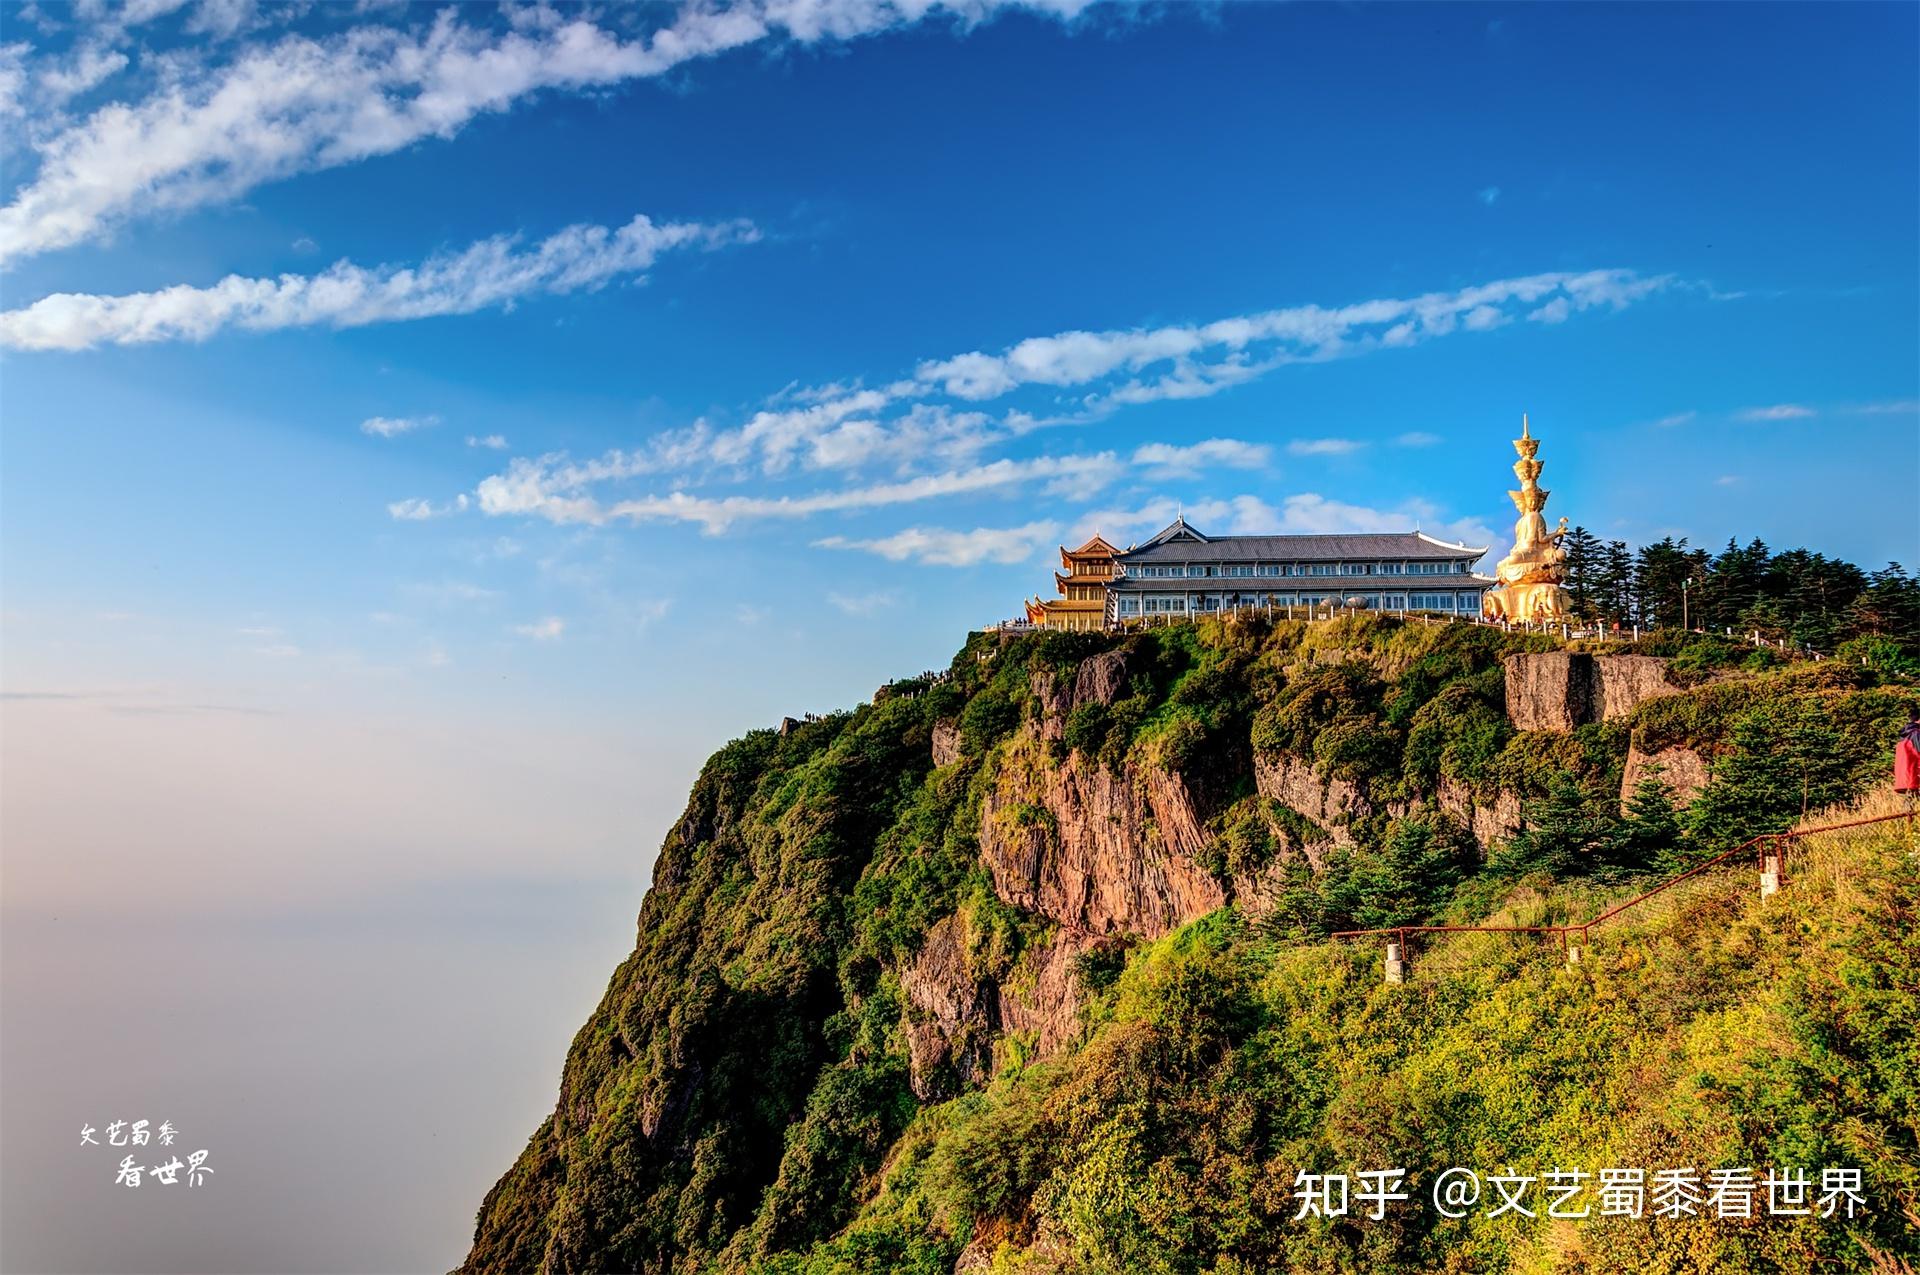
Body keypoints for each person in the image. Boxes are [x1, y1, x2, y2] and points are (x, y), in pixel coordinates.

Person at [1897, 714, 1920, 794]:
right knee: (1912, 797)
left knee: (1911, 797)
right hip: (1913, 774)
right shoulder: (1916, 734)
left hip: (1904, 775)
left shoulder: (1904, 736)